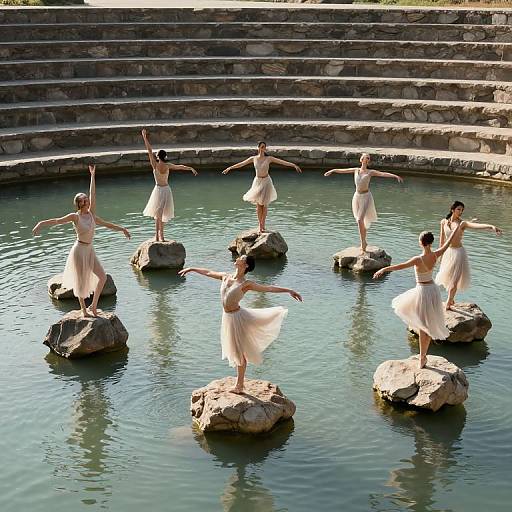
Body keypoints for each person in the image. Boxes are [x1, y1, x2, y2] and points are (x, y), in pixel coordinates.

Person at [178, 255, 302, 393]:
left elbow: (268, 288)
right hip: (228, 317)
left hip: (238, 318)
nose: (237, 258)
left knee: (239, 351)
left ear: (246, 265)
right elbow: (208, 272)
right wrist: (192, 268)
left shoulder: (246, 284)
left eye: (241, 258)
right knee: (236, 351)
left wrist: (289, 290)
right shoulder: (225, 276)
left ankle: (239, 385)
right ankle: (239, 384)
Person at [32, 165, 131, 318]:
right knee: (81, 281)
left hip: (90, 250)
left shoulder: (92, 215)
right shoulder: (75, 216)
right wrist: (41, 223)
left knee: (102, 277)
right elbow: (57, 221)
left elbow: (106, 222)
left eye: (87, 199)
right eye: (85, 200)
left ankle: (94, 306)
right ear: (79, 204)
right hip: (79, 250)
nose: (88, 201)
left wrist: (123, 229)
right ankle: (84, 311)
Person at [373, 226, 462, 369]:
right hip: (433, 289)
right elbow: (447, 244)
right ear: (430, 242)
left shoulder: (418, 259)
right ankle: (423, 356)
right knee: (426, 326)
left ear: (421, 242)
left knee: (422, 326)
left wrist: (384, 269)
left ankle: (422, 357)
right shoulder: (436, 254)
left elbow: (400, 266)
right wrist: (455, 230)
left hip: (422, 291)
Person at [324, 153, 403, 253]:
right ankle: (364, 242)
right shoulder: (356, 170)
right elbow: (343, 170)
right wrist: (332, 170)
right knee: (361, 221)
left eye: (368, 158)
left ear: (368, 161)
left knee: (360, 220)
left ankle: (363, 243)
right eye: (365, 157)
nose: (367, 159)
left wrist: (395, 176)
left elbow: (382, 173)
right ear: (361, 159)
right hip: (357, 196)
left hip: (366, 197)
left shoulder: (370, 172)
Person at [222, 141, 302, 234]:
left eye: (265, 147)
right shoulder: (253, 158)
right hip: (257, 182)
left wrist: (293, 165)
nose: (264, 148)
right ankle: (260, 225)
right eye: (262, 147)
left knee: (265, 204)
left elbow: (282, 162)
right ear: (258, 147)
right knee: (258, 205)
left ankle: (263, 225)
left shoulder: (269, 158)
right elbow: (241, 164)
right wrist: (230, 168)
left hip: (266, 181)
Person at [436, 200, 502, 310]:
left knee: (454, 280)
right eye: (458, 209)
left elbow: (477, 226)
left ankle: (448, 303)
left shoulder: (462, 224)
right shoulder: (443, 222)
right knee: (447, 278)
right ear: (452, 209)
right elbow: (442, 241)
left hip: (459, 253)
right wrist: (439, 254)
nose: (460, 212)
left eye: (462, 210)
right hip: (448, 253)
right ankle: (451, 299)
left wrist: (491, 226)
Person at [141, 129, 198, 241]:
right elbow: (180, 166)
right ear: (164, 157)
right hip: (166, 190)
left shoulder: (155, 165)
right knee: (162, 214)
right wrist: (190, 168)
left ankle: (157, 236)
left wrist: (144, 138)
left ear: (158, 157)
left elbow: (149, 150)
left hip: (158, 190)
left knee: (158, 214)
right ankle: (161, 236)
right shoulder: (168, 165)